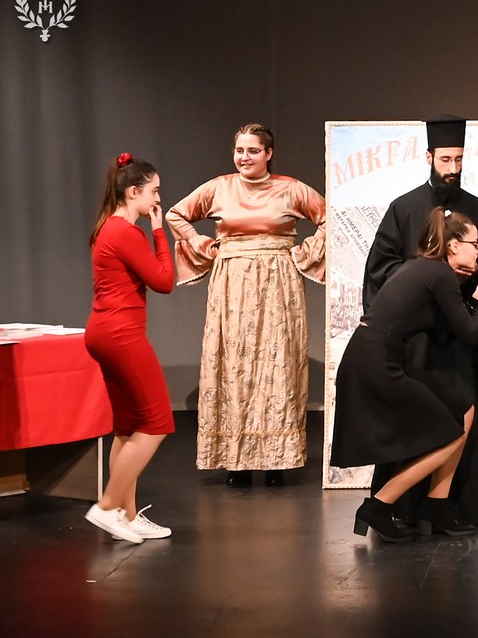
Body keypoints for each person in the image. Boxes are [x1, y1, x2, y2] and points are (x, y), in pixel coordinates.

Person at [332, 208, 478, 541]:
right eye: (475, 245)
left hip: (373, 356)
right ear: (454, 245)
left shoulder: (429, 269)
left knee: (464, 409)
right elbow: (472, 333)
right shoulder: (438, 273)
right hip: (376, 362)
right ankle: (378, 505)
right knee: (450, 432)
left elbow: (459, 322)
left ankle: (436, 504)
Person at [362, 115, 478, 527]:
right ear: (429, 157)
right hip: (418, 342)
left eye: (459, 159)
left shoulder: (477, 209)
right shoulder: (403, 208)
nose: (453, 168)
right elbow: (380, 270)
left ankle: (451, 507)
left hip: (459, 336)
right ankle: (400, 511)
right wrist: (431, 277)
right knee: (415, 423)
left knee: (461, 420)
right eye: (445, 159)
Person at [166, 124, 326, 487]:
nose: (244, 157)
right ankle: (235, 460)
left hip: (278, 282)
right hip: (233, 284)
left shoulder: (290, 188)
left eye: (253, 150)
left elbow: (329, 219)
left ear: (268, 153)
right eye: (239, 150)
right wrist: (202, 244)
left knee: (278, 361)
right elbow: (176, 215)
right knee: (233, 362)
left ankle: (276, 461)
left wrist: (303, 253)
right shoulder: (219, 188)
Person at [84, 153, 175, 544]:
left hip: (103, 332)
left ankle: (127, 514)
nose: (158, 199)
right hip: (121, 336)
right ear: (133, 192)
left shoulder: (108, 227)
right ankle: (107, 507)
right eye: (154, 191)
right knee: (157, 423)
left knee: (128, 427)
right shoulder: (125, 232)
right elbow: (164, 281)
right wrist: (159, 233)